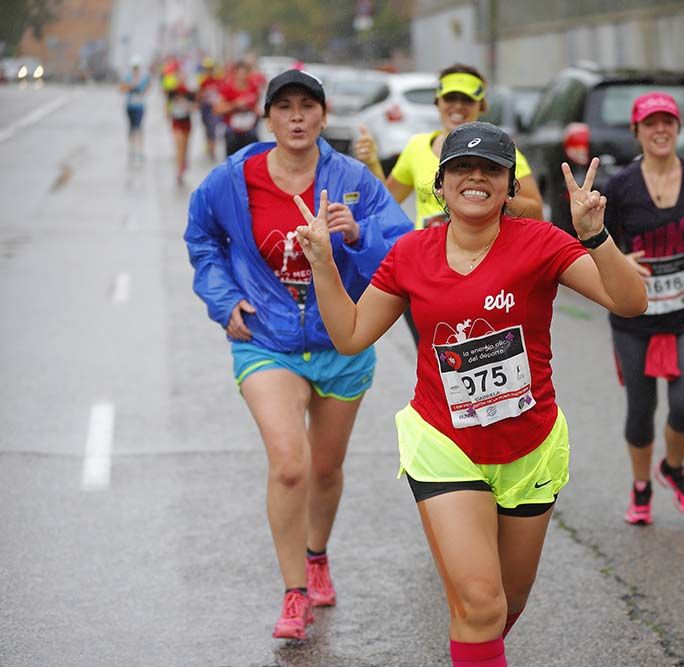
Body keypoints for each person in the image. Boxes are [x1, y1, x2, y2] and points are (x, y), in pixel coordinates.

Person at [295, 121, 646, 666]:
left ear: (509, 186)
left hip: (530, 445)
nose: (476, 178)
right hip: (444, 442)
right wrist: (322, 265)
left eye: (491, 169)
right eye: (461, 167)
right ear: (440, 184)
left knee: (505, 603)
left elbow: (630, 303)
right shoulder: (411, 253)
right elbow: (351, 334)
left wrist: (594, 235)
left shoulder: (543, 244)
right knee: (481, 604)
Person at [184, 69, 412, 640]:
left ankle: (317, 555)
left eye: (306, 106)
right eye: (283, 107)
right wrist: (224, 299)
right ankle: (293, 593)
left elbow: (403, 250)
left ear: (323, 114)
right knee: (291, 465)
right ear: (268, 118)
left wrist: (358, 235)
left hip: (342, 342)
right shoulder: (234, 180)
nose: (296, 117)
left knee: (326, 469)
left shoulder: (354, 179)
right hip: (268, 340)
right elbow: (203, 240)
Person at [354, 64, 544, 346]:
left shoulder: (502, 153)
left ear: (482, 104)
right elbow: (386, 204)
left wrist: (487, 195)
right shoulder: (418, 147)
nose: (457, 107)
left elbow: (536, 211)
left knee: (479, 352)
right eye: (450, 99)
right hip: (426, 272)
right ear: (438, 102)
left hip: (483, 269)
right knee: (434, 356)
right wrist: (371, 162)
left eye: (466, 100)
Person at [603, 92, 684, 524]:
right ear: (636, 131)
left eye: (668, 122)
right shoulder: (620, 185)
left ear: (677, 128)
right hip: (634, 312)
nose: (660, 130)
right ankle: (641, 487)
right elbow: (599, 239)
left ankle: (673, 467)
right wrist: (621, 260)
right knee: (640, 407)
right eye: (650, 123)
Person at [215, 60, 262, 156]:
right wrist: (235, 104)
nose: (242, 76)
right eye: (240, 73)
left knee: (252, 159)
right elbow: (217, 109)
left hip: (250, 131)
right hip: (233, 132)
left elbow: (256, 107)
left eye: (245, 73)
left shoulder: (253, 87)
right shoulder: (227, 88)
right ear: (235, 73)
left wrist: (259, 112)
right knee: (233, 161)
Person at [162, 61, 197, 185]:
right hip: (176, 122)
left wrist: (188, 106)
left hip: (186, 122)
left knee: (185, 146)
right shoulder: (173, 91)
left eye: (183, 76)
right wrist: (166, 113)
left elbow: (195, 106)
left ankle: (183, 162)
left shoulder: (189, 92)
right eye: (179, 76)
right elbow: (167, 104)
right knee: (178, 145)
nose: (181, 79)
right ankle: (179, 170)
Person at [119, 56, 149, 164]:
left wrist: (141, 88)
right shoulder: (127, 77)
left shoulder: (144, 77)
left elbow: (148, 88)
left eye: (137, 67)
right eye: (134, 67)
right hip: (130, 106)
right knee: (131, 128)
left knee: (139, 128)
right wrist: (132, 86)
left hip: (140, 106)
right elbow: (121, 88)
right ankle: (131, 149)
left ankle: (140, 151)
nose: (135, 69)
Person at [196, 57, 223, 160]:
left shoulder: (218, 80)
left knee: (213, 127)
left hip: (214, 108)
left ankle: (212, 148)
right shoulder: (203, 81)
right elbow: (199, 94)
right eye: (207, 69)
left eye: (210, 69)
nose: (209, 71)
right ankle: (209, 145)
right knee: (207, 128)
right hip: (205, 108)